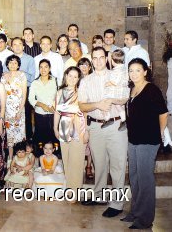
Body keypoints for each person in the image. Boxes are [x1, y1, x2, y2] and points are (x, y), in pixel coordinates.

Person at [78, 47, 128, 218]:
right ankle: (98, 195)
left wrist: (112, 100)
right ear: (91, 59)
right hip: (96, 126)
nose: (98, 61)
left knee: (117, 165)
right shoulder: (86, 81)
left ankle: (117, 203)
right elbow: (82, 106)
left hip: (115, 126)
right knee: (99, 164)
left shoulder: (116, 74)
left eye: (101, 57)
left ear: (107, 58)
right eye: (95, 58)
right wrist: (98, 104)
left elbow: (125, 97)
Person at [122, 58, 168, 229]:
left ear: (145, 72)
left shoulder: (152, 90)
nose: (133, 73)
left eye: (137, 70)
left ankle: (145, 219)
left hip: (148, 140)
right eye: (131, 70)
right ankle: (135, 212)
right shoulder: (132, 89)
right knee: (134, 178)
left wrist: (160, 132)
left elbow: (163, 114)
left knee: (145, 179)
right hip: (133, 139)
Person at [54, 66, 87, 198]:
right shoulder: (59, 92)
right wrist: (55, 128)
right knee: (66, 159)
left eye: (75, 76)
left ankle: (76, 191)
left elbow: (85, 113)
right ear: (65, 76)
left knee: (77, 160)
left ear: (78, 79)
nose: (72, 79)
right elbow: (57, 111)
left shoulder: (81, 92)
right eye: (70, 75)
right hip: (63, 125)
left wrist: (86, 131)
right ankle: (69, 189)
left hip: (78, 125)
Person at [1, 55, 27, 160]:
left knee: (19, 135)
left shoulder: (22, 75)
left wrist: (20, 111)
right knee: (10, 135)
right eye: (10, 62)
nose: (13, 64)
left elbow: (24, 94)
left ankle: (20, 159)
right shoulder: (3, 76)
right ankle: (10, 159)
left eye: (15, 63)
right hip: (8, 111)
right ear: (7, 64)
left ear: (18, 65)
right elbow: (2, 95)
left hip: (19, 110)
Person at [29, 59, 58, 152]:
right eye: (41, 67)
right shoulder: (35, 83)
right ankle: (40, 157)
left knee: (53, 136)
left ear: (49, 68)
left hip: (53, 114)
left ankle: (54, 157)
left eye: (46, 67)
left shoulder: (55, 81)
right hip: (39, 114)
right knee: (40, 137)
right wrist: (42, 105)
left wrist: (54, 106)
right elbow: (31, 99)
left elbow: (59, 95)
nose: (43, 69)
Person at [11, 37, 35, 140]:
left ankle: (28, 141)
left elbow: (32, 77)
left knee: (26, 116)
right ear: (11, 47)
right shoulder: (9, 59)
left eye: (19, 44)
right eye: (15, 44)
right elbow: (4, 74)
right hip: (11, 92)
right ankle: (13, 141)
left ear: (23, 46)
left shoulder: (29, 59)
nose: (17, 46)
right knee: (12, 115)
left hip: (26, 89)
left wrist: (20, 72)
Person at [102, 49, 129, 130]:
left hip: (117, 92)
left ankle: (107, 119)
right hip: (122, 92)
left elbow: (115, 82)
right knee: (118, 106)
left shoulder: (118, 70)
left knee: (106, 102)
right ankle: (124, 120)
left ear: (114, 61)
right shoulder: (123, 68)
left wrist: (107, 83)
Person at [77, 57, 95, 180]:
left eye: (86, 65)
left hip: (89, 114)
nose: (83, 67)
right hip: (76, 115)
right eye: (81, 65)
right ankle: (77, 167)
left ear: (90, 67)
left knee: (90, 143)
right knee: (78, 141)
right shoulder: (75, 80)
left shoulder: (93, 81)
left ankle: (88, 166)